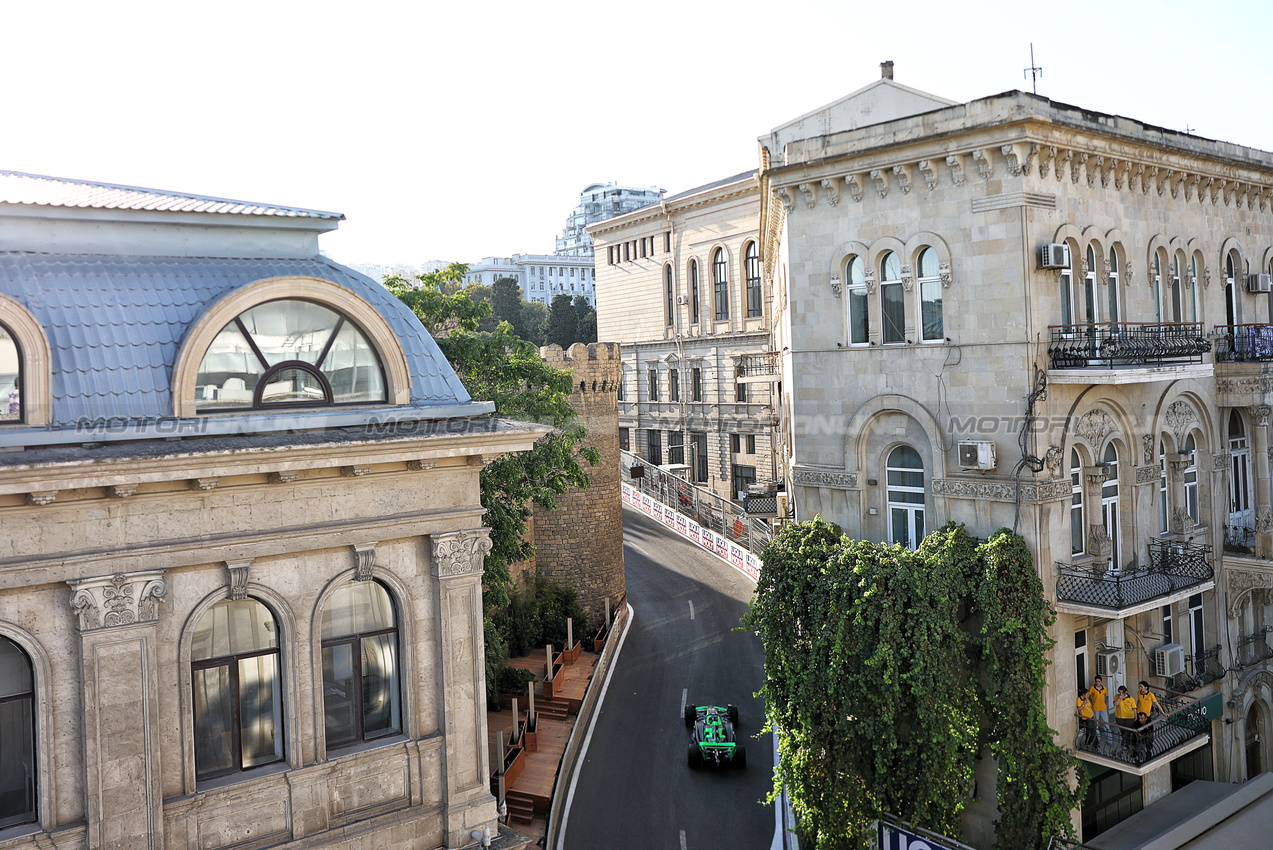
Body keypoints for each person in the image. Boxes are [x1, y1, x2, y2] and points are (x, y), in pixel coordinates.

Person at [1088, 675, 1111, 751]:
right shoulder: (1092, 688)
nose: (1097, 683)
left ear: (1101, 682)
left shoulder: (1104, 689)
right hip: (1095, 708)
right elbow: (1088, 696)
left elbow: (1107, 696)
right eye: (1096, 681)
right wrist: (1090, 704)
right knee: (1096, 724)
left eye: (1099, 681)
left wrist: (1105, 703)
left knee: (1106, 723)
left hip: (1103, 708)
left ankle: (1109, 740)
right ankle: (1098, 738)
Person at [1113, 685, 1137, 753]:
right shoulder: (1116, 697)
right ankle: (1127, 743)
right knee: (1122, 732)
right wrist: (1119, 698)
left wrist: (1136, 718)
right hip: (1120, 717)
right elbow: (1115, 705)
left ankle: (1124, 744)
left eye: (1122, 693)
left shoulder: (1131, 699)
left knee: (1127, 731)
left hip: (1129, 717)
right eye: (1119, 692)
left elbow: (1134, 708)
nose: (1121, 694)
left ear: (1126, 692)